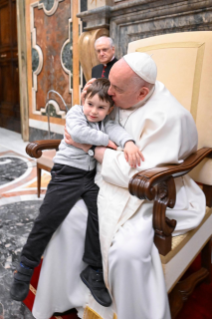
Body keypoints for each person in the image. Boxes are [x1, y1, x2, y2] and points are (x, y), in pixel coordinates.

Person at [31, 52, 205, 319]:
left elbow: (140, 177)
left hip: (153, 194)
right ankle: (69, 294)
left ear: (142, 92)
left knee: (128, 252)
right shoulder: (120, 95)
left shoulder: (169, 118)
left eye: (116, 88)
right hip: (105, 182)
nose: (109, 93)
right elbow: (99, 112)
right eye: (108, 83)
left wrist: (90, 147)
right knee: (68, 220)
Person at [10, 78, 143, 307]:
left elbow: (117, 131)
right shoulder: (76, 113)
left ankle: (93, 270)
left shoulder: (106, 123)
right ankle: (25, 268)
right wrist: (108, 142)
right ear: (84, 100)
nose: (93, 111)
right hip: (66, 175)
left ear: (109, 109)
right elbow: (79, 134)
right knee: (47, 220)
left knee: (99, 215)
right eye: (90, 104)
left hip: (88, 178)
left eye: (101, 107)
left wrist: (128, 143)